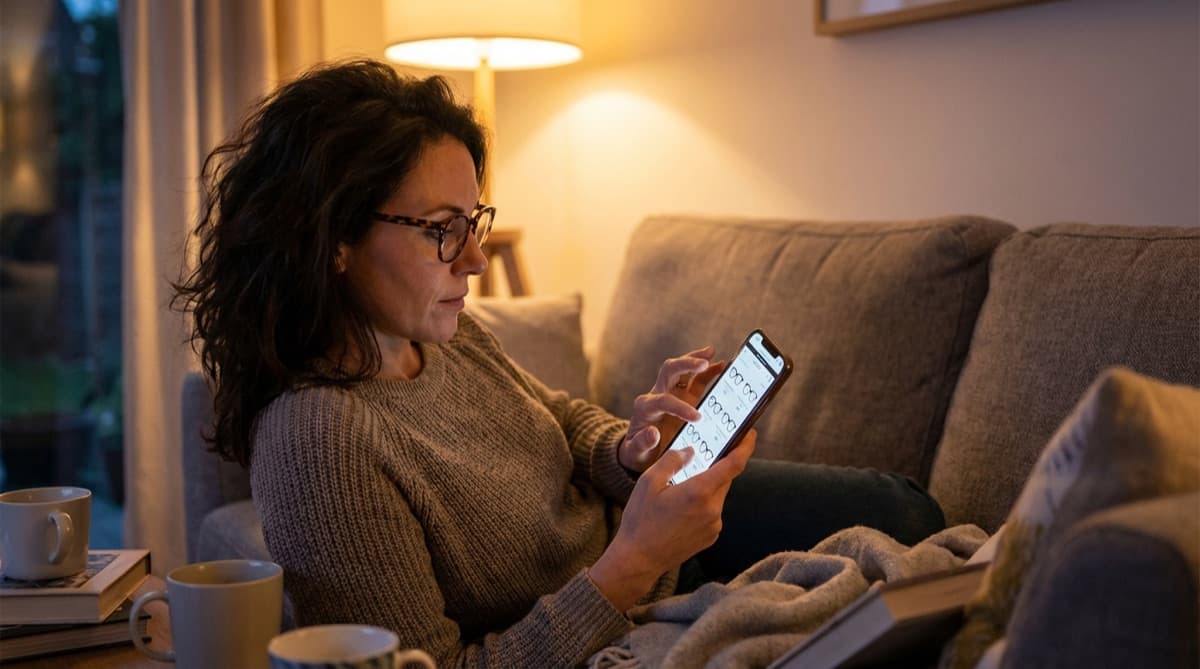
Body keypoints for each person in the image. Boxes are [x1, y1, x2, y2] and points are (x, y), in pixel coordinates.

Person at [173, 59, 944, 668]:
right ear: (332, 240)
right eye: (443, 229)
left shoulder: (439, 335)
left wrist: (631, 447)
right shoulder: (320, 440)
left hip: (645, 539)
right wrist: (635, 562)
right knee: (908, 540)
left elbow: (559, 419)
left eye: (474, 221)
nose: (475, 257)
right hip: (632, 586)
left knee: (904, 509)